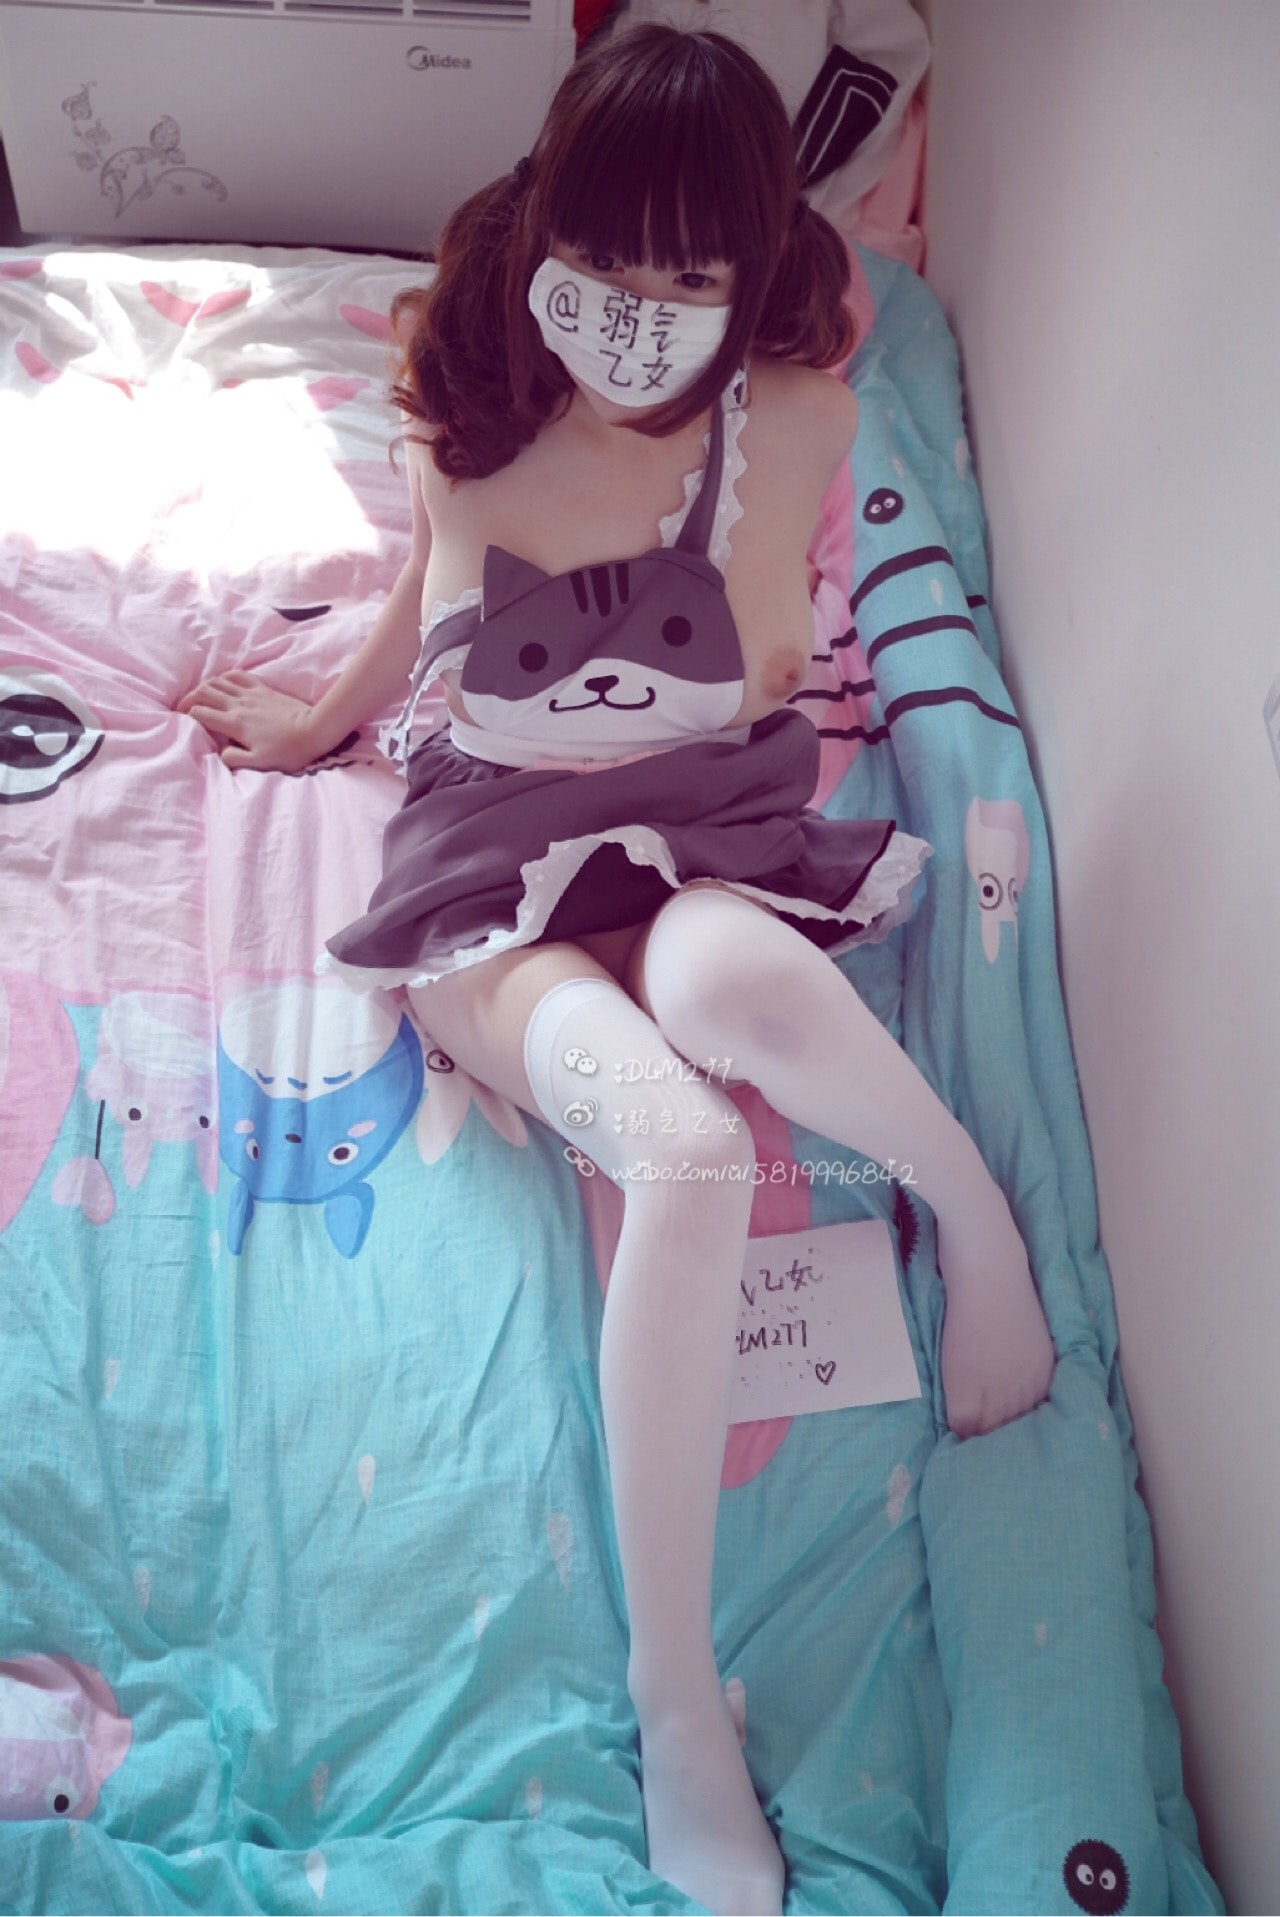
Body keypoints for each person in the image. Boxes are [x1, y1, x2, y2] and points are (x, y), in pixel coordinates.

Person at [178, 25, 1056, 1916]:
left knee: (737, 988)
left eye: (686, 276)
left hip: (707, 832)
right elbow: (429, 593)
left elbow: (755, 656)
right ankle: (677, 1700)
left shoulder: (799, 419)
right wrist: (322, 719)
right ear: (545, 227)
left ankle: (977, 1222)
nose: (633, 317)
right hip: (492, 876)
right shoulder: (471, 394)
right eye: (601, 260)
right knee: (684, 1145)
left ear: (747, 271)